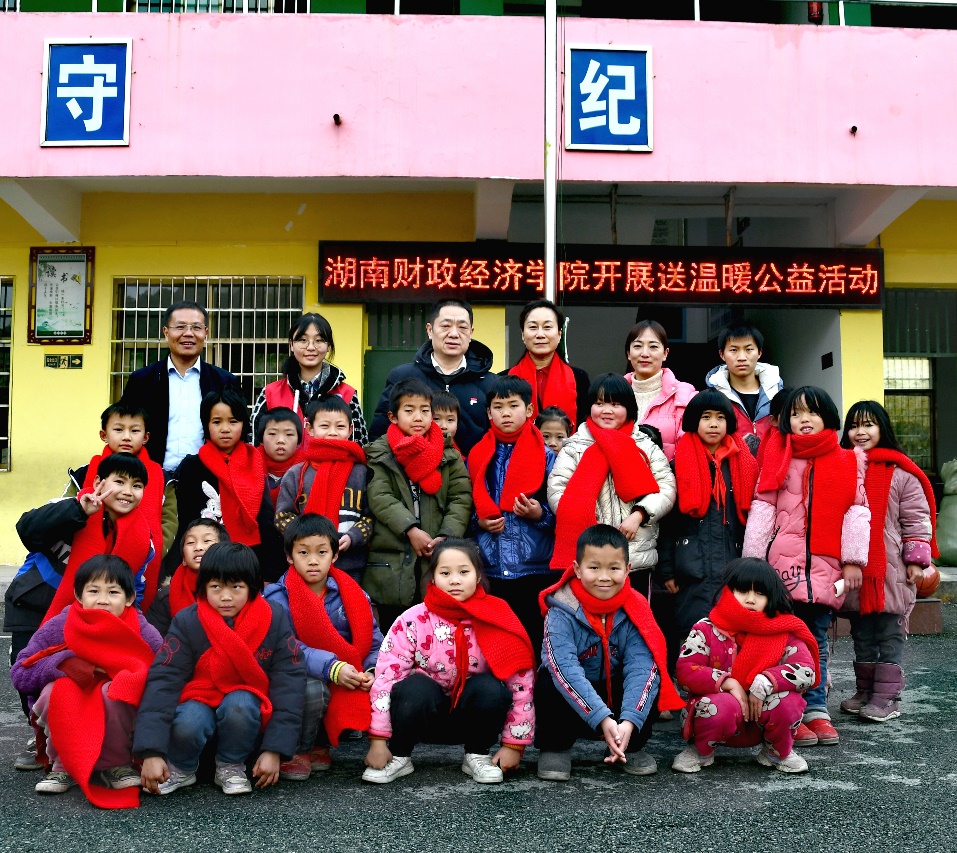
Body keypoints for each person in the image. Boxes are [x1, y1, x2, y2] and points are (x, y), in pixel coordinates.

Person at [743, 386, 870, 748]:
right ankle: (790, 712)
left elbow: (857, 512)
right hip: (782, 568)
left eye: (812, 412)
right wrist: (753, 563)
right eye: (796, 413)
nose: (804, 419)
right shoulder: (778, 455)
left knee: (816, 642)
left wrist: (853, 561)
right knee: (782, 641)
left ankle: (816, 710)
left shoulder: (848, 459)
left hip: (826, 569)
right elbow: (763, 507)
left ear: (827, 417)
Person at [134, 542, 305, 796]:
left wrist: (275, 750)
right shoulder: (188, 621)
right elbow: (164, 681)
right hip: (195, 711)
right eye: (216, 587)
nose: (225, 597)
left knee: (241, 702)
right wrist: (151, 751)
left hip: (248, 724)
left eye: (236, 587)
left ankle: (230, 766)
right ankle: (181, 766)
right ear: (203, 587)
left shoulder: (274, 618)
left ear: (252, 587)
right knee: (191, 717)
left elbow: (289, 682)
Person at [362, 538, 535, 785]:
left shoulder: (497, 616)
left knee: (490, 688)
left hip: (473, 717)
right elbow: (385, 679)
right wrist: (378, 741)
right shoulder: (413, 620)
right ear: (433, 578)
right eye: (445, 573)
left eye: (464, 572)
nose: (455, 580)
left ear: (478, 576)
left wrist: (513, 745)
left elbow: (521, 684)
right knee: (414, 687)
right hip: (422, 716)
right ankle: (399, 755)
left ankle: (477, 754)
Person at [535, 525, 683, 781]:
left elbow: (641, 668)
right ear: (577, 569)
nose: (604, 577)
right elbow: (564, 669)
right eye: (594, 568)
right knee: (549, 680)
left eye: (614, 568)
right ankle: (556, 747)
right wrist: (602, 718)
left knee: (652, 680)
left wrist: (629, 722)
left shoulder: (637, 608)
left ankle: (629, 745)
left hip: (617, 695)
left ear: (627, 569)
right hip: (577, 696)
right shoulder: (560, 609)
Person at [12, 556, 163, 805]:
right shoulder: (60, 625)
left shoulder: (141, 629)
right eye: (93, 591)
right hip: (71, 694)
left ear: (129, 598)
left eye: (113, 592)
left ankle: (116, 764)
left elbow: (164, 676)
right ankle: (62, 764)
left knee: (118, 690)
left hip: (116, 708)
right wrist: (64, 664)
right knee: (56, 690)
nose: (103, 599)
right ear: (78, 595)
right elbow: (20, 672)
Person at [672, 558, 820, 775]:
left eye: (760, 593)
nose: (751, 599)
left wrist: (767, 681)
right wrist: (728, 682)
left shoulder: (783, 630)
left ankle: (777, 752)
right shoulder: (706, 628)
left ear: (771, 596)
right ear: (729, 591)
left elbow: (807, 670)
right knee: (720, 704)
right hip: (718, 713)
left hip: (763, 715)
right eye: (743, 591)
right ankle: (701, 751)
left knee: (788, 702)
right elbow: (685, 670)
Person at [839, 401, 938, 722]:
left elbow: (916, 519)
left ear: (882, 428)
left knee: (889, 633)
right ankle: (865, 691)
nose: (861, 431)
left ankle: (887, 697)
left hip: (893, 569)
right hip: (856, 568)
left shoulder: (902, 473)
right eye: (854, 425)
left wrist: (916, 561)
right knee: (862, 633)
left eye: (868, 424)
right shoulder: (843, 467)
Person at [263, 514, 382, 780]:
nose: (313, 560)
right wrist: (332, 668)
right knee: (313, 688)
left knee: (384, 682)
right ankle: (300, 749)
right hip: (297, 674)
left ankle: (325, 744)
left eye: (322, 552)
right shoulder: (277, 597)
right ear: (290, 556)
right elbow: (286, 647)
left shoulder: (352, 592)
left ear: (335, 555)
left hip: (347, 670)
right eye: (303, 552)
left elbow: (374, 641)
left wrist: (372, 670)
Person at [547, 373, 676, 599]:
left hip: (634, 556)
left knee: (634, 617)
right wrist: (589, 525)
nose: (606, 410)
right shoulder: (574, 447)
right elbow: (557, 490)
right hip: (589, 557)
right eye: (599, 403)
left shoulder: (645, 446)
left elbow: (667, 488)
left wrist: (639, 514)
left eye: (615, 404)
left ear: (629, 408)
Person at [657, 389, 759, 660]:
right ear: (694, 420)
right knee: (692, 635)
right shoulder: (678, 465)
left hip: (733, 563)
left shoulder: (743, 464)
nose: (713, 424)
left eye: (720, 417)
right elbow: (667, 523)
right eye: (706, 417)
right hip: (690, 569)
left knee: (734, 636)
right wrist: (666, 570)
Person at [364, 379, 472, 630]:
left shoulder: (448, 453)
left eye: (425, 410)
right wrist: (410, 529)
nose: (418, 417)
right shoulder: (380, 453)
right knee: (394, 631)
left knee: (437, 630)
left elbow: (461, 497)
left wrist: (447, 536)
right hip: (392, 555)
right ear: (393, 417)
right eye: (409, 410)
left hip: (437, 552)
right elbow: (380, 496)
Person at [468, 376, 556, 657]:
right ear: (488, 412)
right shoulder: (478, 455)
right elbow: (464, 505)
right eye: (498, 407)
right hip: (490, 565)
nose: (505, 413)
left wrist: (539, 513)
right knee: (497, 641)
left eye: (513, 406)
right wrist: (479, 522)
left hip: (534, 567)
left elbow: (561, 510)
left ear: (529, 410)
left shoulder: (547, 456)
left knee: (534, 636)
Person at [63, 403, 173, 611]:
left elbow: (169, 520)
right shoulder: (84, 473)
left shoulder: (161, 476)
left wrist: (148, 548)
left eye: (134, 431)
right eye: (118, 429)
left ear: (146, 437)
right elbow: (68, 509)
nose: (126, 437)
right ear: (103, 435)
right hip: (87, 556)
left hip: (141, 560)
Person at [170, 389, 281, 582]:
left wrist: (269, 573)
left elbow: (265, 521)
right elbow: (185, 521)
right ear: (206, 424)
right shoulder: (191, 467)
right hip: (203, 562)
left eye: (233, 421)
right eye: (217, 422)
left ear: (243, 424)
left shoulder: (253, 462)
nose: (225, 429)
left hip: (248, 560)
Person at [119, 301, 239, 473]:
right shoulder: (141, 380)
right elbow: (125, 427)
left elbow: (238, 431)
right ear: (166, 332)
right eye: (180, 327)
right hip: (151, 476)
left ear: (205, 333)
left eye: (196, 327)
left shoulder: (224, 381)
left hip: (209, 476)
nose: (188, 334)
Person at [370, 299, 497, 455]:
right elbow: (380, 432)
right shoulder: (402, 376)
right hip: (408, 468)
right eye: (445, 326)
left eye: (462, 327)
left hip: (470, 469)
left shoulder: (491, 383)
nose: (454, 334)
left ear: (471, 333)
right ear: (430, 330)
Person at [41, 453, 156, 622]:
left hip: (102, 619)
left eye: (137, 486)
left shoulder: (144, 540)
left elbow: (133, 586)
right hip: (36, 603)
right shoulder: (68, 506)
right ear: (97, 483)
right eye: (120, 482)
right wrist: (78, 512)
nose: (127, 492)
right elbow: (27, 530)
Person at [274, 396, 373, 584]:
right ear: (310, 428)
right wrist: (307, 539)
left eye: (340, 426)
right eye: (325, 426)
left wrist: (353, 537)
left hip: (351, 565)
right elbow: (282, 516)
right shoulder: (297, 474)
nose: (333, 432)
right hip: (306, 565)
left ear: (350, 429)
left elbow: (370, 518)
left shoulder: (362, 472)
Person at [251, 313, 368, 448]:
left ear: (329, 346)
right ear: (291, 345)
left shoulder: (347, 394)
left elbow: (359, 447)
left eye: (319, 340)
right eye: (303, 340)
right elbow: (254, 445)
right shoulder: (270, 393)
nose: (311, 347)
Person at [507, 299, 590, 428]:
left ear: (559, 334)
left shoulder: (579, 379)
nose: (540, 334)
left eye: (547, 327)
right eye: (533, 327)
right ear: (523, 334)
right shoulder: (504, 379)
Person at [623, 320, 697, 460]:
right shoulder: (612, 395)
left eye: (653, 347)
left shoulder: (685, 396)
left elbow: (689, 453)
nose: (645, 353)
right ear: (628, 353)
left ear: (665, 353)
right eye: (638, 346)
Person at [146, 519, 229, 638]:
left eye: (207, 541)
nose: (198, 547)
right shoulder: (166, 597)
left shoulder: (237, 590)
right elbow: (154, 640)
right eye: (190, 542)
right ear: (184, 559)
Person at [705, 321, 782, 442]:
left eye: (749, 349)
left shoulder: (778, 394)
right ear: (722, 354)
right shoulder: (712, 399)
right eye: (733, 350)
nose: (741, 357)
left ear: (759, 352)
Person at [255, 407, 305, 506]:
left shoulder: (307, 470)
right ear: (261, 439)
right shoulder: (248, 466)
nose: (281, 440)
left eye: (289, 434)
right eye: (272, 434)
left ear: (299, 441)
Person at [432, 391, 463, 458]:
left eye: (450, 420)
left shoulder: (458, 455)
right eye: (436, 419)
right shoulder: (418, 448)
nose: (444, 426)